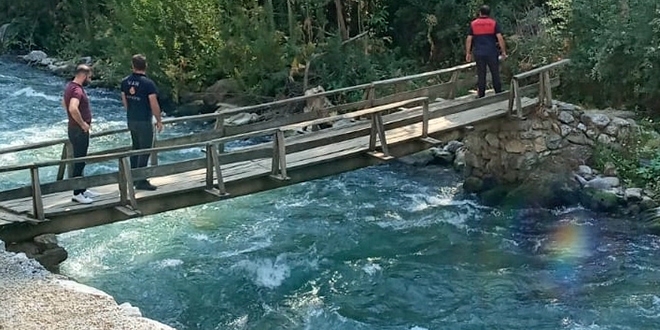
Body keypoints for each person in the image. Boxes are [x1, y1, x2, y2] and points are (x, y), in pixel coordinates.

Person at [120, 54, 163, 191]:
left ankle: (132, 177)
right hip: (144, 120)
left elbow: (125, 101)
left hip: (131, 119)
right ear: (146, 66)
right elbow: (153, 103)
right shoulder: (148, 83)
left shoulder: (125, 82)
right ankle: (141, 180)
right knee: (145, 150)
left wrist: (131, 112)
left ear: (132, 65)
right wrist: (159, 120)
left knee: (135, 148)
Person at [62, 64, 98, 204]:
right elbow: (72, 108)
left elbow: (63, 104)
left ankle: (82, 188)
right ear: (83, 75)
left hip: (73, 129)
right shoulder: (77, 90)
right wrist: (82, 123)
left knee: (80, 159)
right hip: (79, 130)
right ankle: (77, 193)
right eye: (89, 76)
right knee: (79, 160)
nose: (90, 79)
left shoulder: (70, 86)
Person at [465, 5, 507, 98]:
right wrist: (503, 51)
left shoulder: (473, 24)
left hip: (479, 53)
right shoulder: (493, 23)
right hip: (492, 52)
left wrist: (468, 53)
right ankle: (498, 91)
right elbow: (500, 38)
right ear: (489, 13)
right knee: (495, 72)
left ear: (480, 12)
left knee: (481, 73)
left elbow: (469, 39)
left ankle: (481, 94)